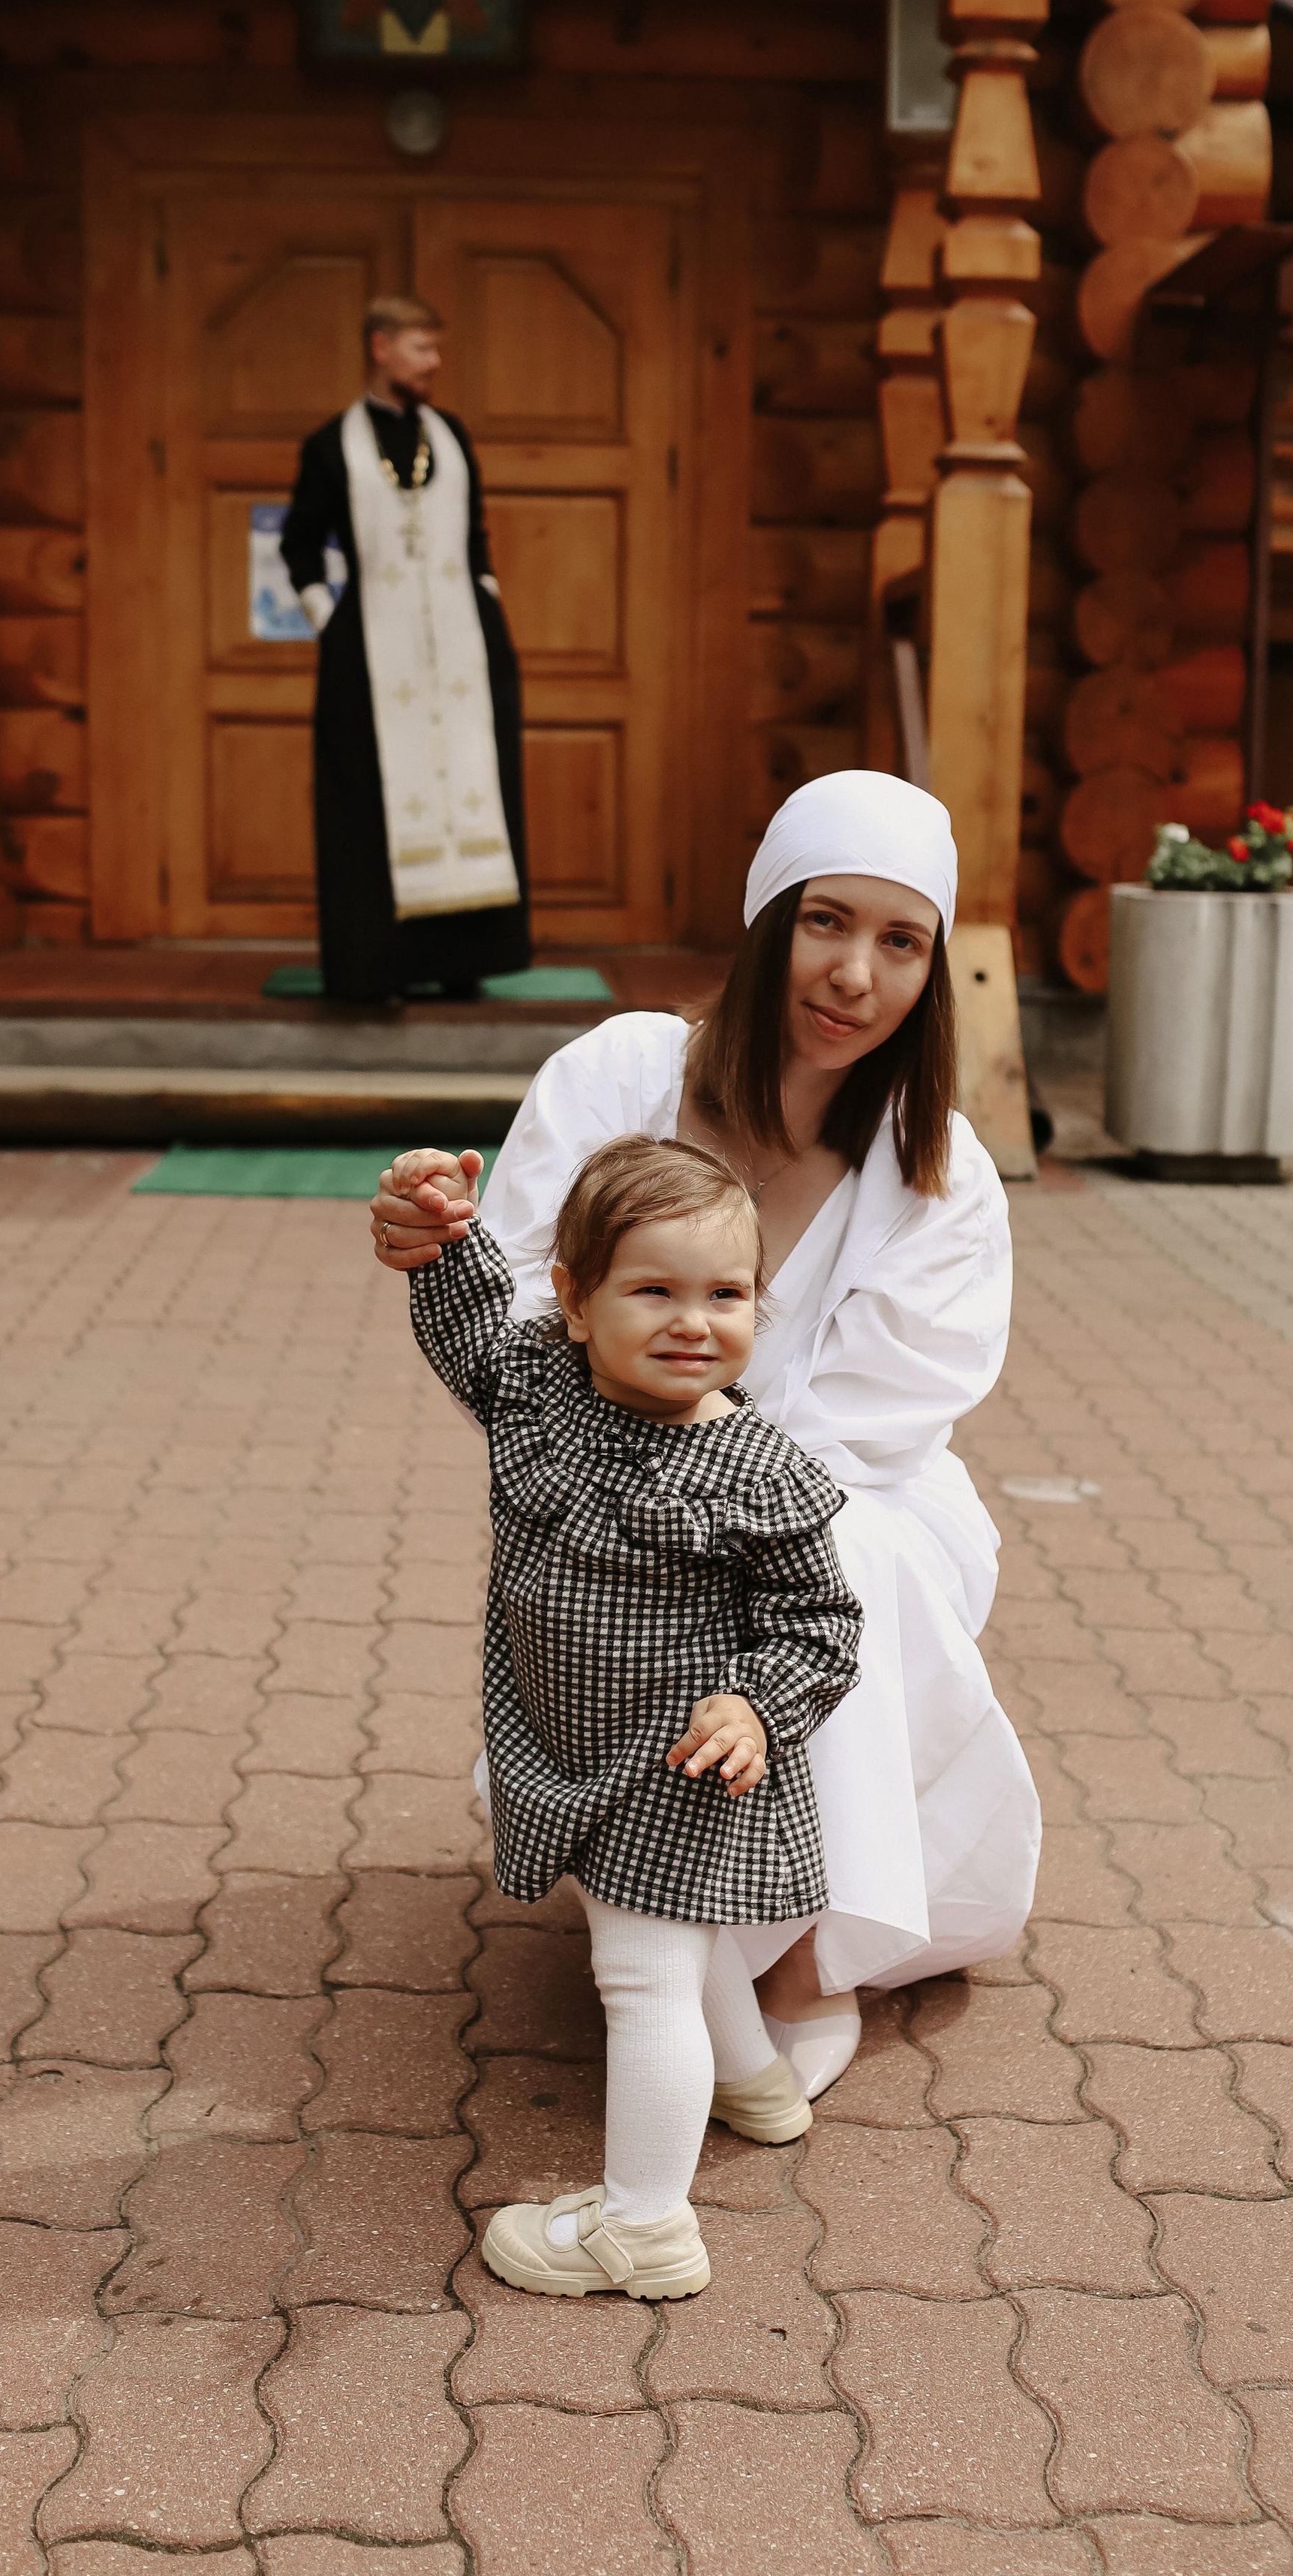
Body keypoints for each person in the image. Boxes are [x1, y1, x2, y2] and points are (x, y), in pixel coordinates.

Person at [372, 768, 1041, 2104]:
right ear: (768, 920)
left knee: (829, 1550)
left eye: (900, 942)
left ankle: (809, 1956)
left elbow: (869, 1432)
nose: (855, 974)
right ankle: (676, 1889)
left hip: (862, 1503)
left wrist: (687, 1493)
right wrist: (426, 1250)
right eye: (825, 923)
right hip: (613, 1485)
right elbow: (519, 1317)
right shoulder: (622, 1072)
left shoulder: (937, 1165)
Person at [399, 1132, 863, 2299]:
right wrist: (445, 1233)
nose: (693, 1322)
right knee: (669, 1931)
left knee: (644, 1973)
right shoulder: (539, 1387)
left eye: (727, 1294)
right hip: (569, 1740)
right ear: (573, 1300)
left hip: (682, 1762)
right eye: (653, 1290)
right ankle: (754, 2082)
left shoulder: (758, 1471)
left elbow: (823, 1625)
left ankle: (646, 2230)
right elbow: (463, 1333)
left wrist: (757, 1702)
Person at [278, 293, 531, 1004]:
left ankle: (462, 961)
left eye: (436, 348)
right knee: (371, 797)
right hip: (371, 649)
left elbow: (475, 533)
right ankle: (375, 967)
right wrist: (328, 614)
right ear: (380, 347)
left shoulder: (449, 435)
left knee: (472, 782)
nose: (434, 363)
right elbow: (300, 543)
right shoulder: (331, 446)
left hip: (462, 646)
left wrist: (485, 600)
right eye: (422, 348)